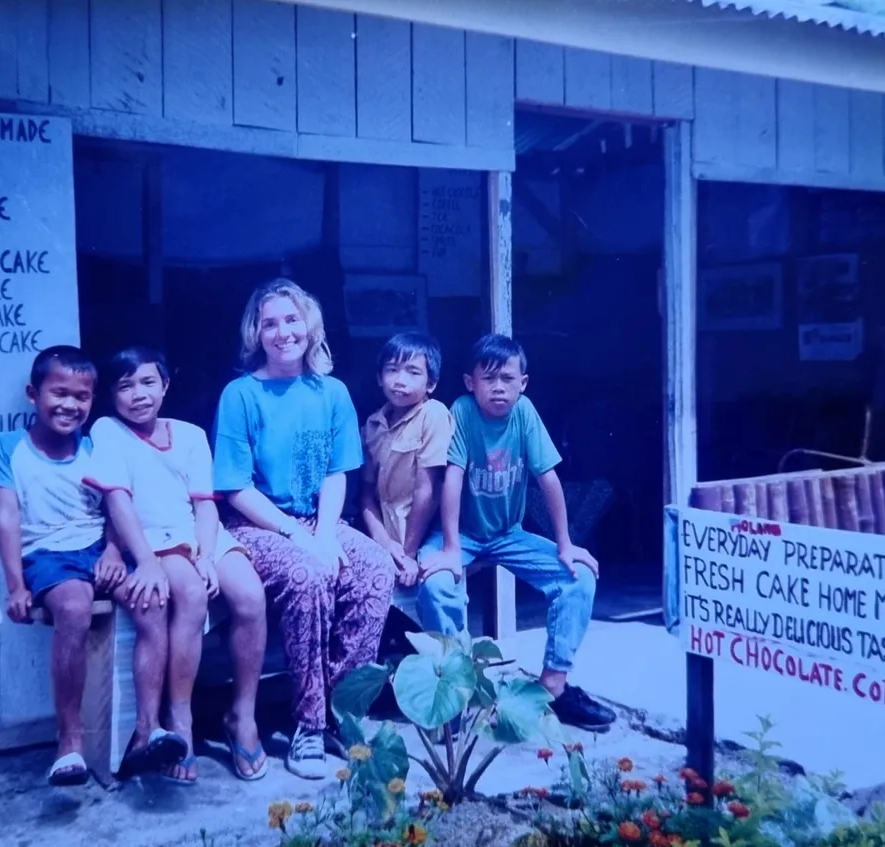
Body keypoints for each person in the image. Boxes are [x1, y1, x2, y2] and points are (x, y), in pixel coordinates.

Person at [212, 278, 395, 780]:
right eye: (269, 323)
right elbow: (234, 487)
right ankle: (309, 722)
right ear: (256, 332)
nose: (282, 332)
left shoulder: (331, 392)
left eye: (291, 320)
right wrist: (300, 538)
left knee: (377, 569)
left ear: (309, 326)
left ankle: (343, 711)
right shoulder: (241, 395)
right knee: (306, 575)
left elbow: (338, 473)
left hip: (320, 520)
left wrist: (328, 534)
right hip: (256, 524)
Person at [0, 346, 186, 787]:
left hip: (97, 549)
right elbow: (7, 518)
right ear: (33, 394)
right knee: (73, 607)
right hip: (49, 558)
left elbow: (116, 503)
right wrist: (16, 585)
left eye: (82, 397)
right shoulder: (7, 448)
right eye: (60, 394)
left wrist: (113, 552)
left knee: (153, 598)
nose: (70, 405)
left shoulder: (97, 446)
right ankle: (69, 740)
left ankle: (147, 730)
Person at [84, 346, 269, 784]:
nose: (138, 394)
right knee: (188, 592)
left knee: (249, 595)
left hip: (197, 533)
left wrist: (206, 555)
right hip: (149, 538)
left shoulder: (189, 435)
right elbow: (118, 501)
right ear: (112, 396)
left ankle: (243, 716)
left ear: (166, 385)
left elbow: (205, 506)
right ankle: (179, 720)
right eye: (125, 386)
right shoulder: (108, 431)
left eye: (148, 382)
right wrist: (145, 560)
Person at [418, 333, 618, 731]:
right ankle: (457, 692)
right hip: (462, 533)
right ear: (469, 382)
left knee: (576, 578)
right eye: (488, 378)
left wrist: (565, 544)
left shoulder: (524, 413)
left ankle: (554, 687)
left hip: (509, 533)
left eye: (507, 379)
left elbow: (548, 479)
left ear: (522, 383)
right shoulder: (461, 411)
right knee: (436, 584)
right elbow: (452, 480)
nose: (498, 387)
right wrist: (453, 548)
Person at [360, 332, 453, 588]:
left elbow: (428, 490)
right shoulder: (372, 425)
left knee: (438, 587)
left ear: (431, 383)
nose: (400, 380)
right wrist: (383, 541)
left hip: (424, 535)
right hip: (385, 535)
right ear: (380, 377)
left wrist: (408, 553)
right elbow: (366, 493)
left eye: (413, 372)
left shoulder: (433, 415)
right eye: (392, 370)